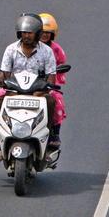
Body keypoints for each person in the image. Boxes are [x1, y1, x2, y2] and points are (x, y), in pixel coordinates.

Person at [0, 14, 60, 147]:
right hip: (14, 93)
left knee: (51, 101)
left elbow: (51, 77)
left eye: (30, 33)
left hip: (37, 95)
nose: (26, 36)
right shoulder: (11, 49)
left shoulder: (47, 51)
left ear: (37, 33)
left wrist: (45, 89)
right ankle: (1, 138)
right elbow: (4, 72)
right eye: (24, 32)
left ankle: (46, 140)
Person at [39, 13, 67, 146]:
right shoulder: (27, 47)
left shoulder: (56, 50)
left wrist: (53, 82)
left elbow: (60, 65)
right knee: (1, 94)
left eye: (48, 33)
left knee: (57, 100)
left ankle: (54, 134)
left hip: (47, 84)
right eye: (42, 32)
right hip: (25, 83)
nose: (44, 35)